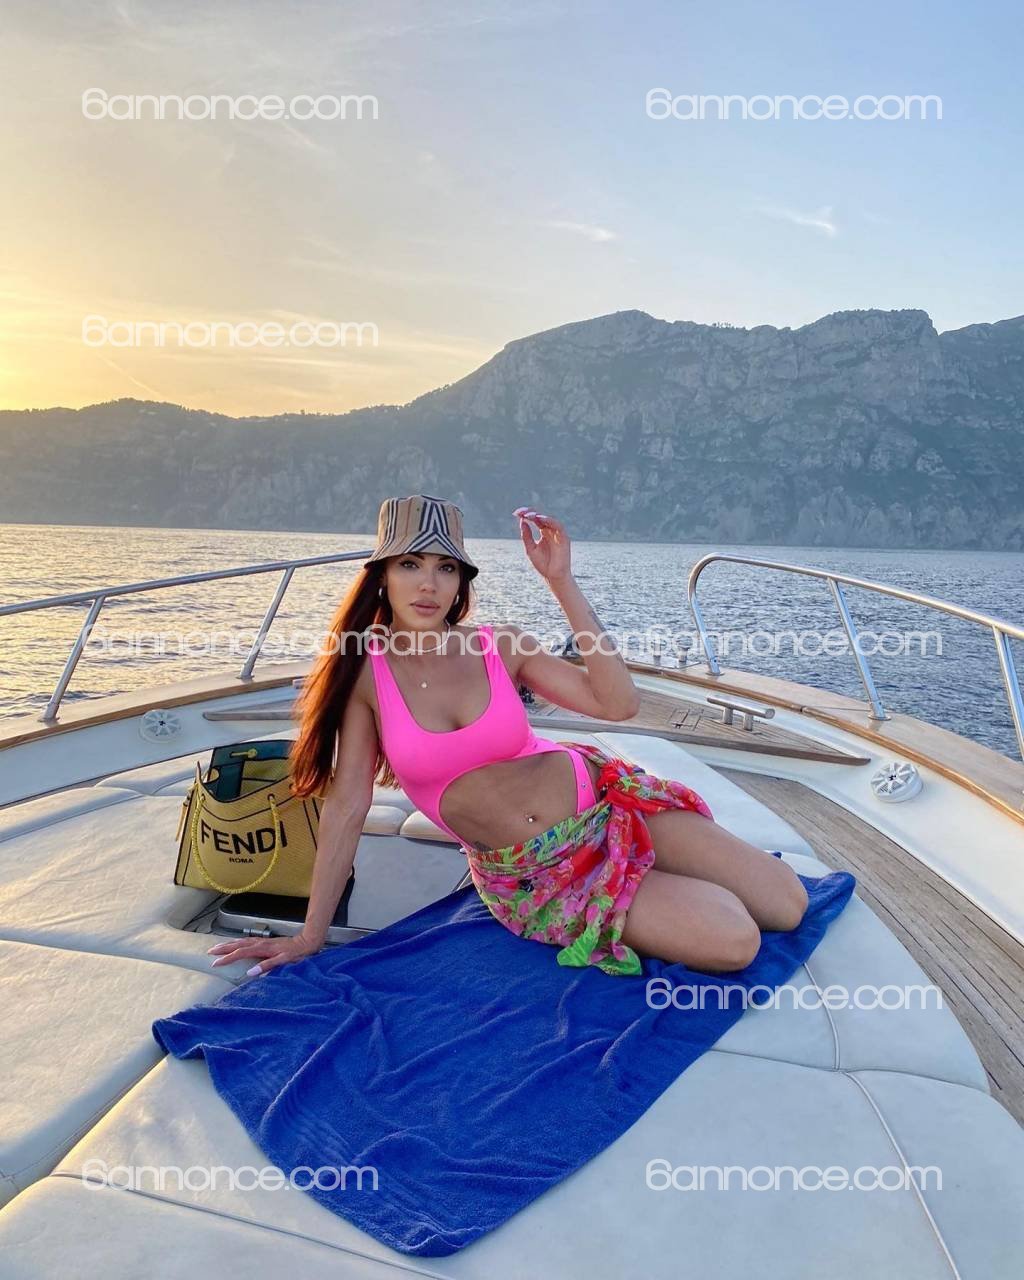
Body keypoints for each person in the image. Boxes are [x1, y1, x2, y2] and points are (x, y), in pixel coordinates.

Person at [209, 493, 807, 978]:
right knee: (735, 939)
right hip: (542, 875)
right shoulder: (366, 673)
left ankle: (658, 873)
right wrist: (310, 936)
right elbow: (346, 807)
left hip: (608, 804)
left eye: (446, 568)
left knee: (787, 903)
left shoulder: (501, 644)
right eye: (411, 565)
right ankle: (656, 887)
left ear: (460, 581)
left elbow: (618, 704)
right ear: (382, 576)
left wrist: (562, 583)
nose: (429, 584)